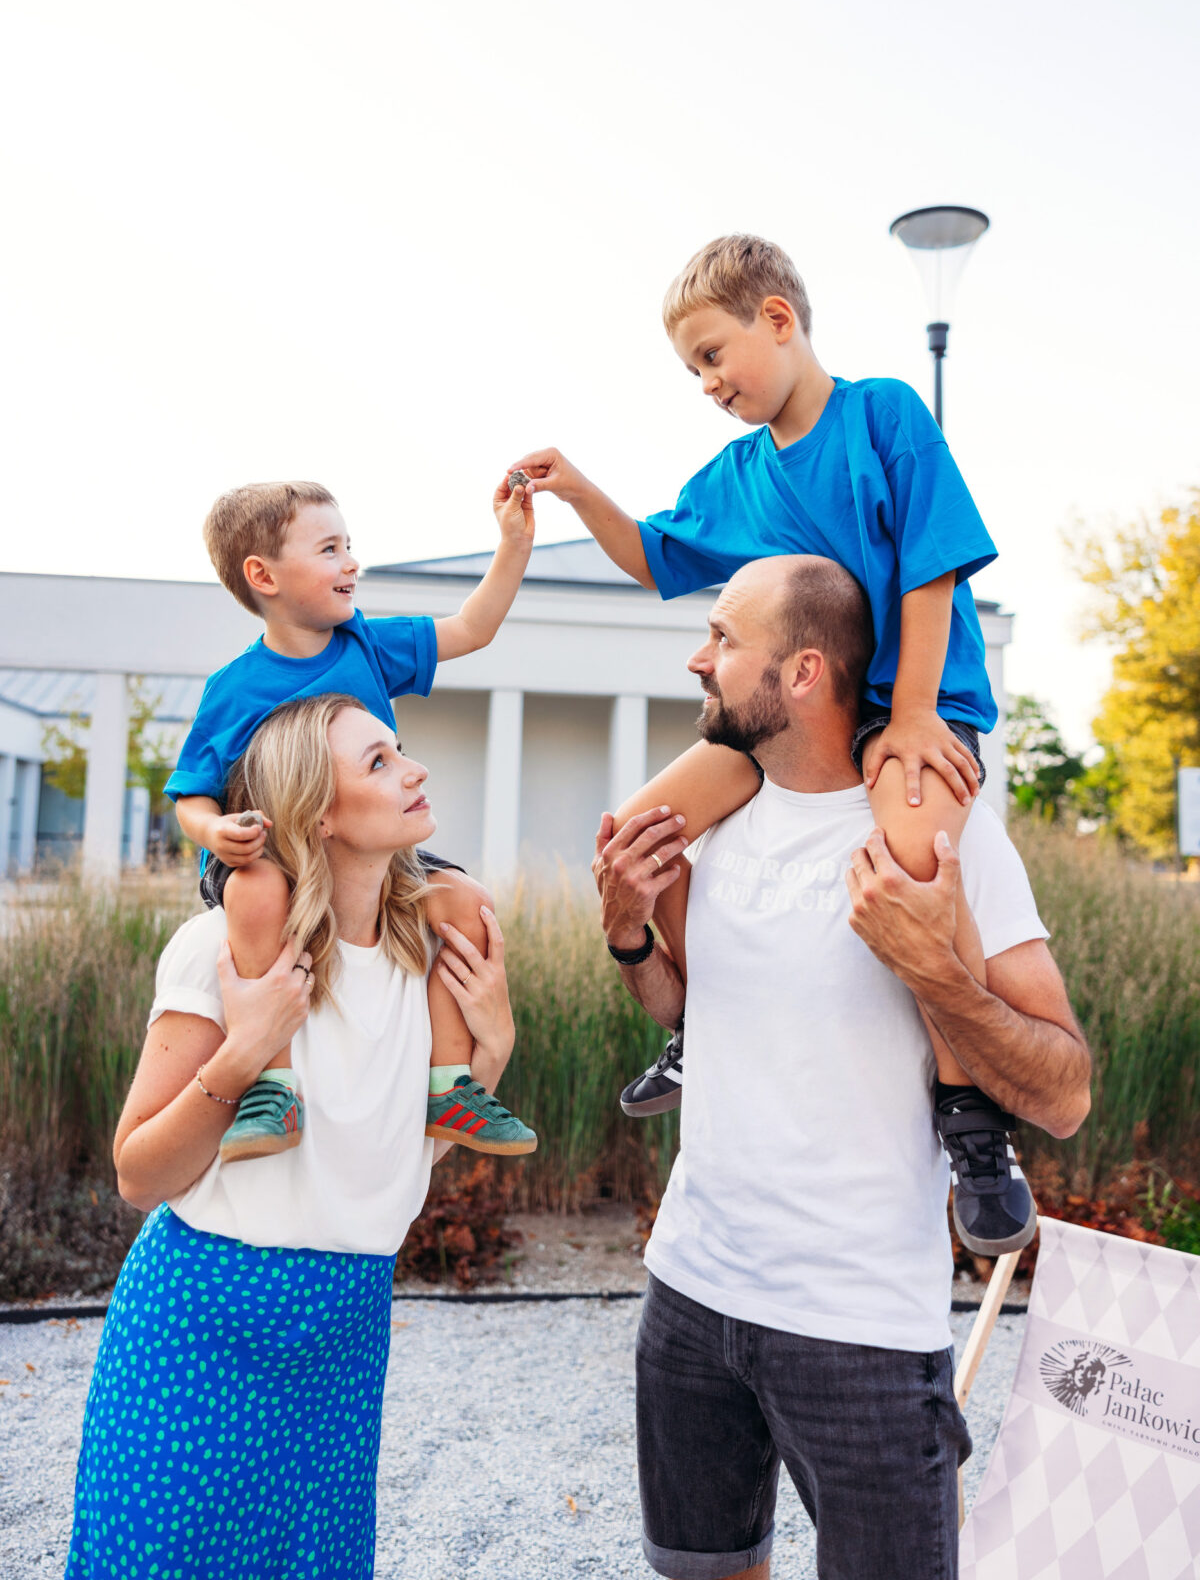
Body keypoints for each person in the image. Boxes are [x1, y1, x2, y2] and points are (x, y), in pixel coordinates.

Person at [510, 231, 1027, 1253]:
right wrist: (575, 490)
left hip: (912, 700)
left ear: (778, 320)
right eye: (689, 368)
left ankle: (974, 1126)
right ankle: (702, 1031)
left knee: (917, 854)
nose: (703, 381)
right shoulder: (739, 473)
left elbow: (933, 570)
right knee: (639, 832)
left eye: (712, 355)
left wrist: (916, 715)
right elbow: (655, 558)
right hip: (793, 711)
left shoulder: (884, 417)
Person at [593, 555, 1091, 1580]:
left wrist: (936, 976)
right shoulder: (712, 829)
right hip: (689, 1291)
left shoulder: (944, 840)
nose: (699, 658)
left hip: (858, 1330)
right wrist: (631, 936)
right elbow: (693, 1014)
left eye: (725, 640)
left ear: (806, 673)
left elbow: (1065, 1091)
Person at [66, 693, 518, 1579]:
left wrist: (492, 1050)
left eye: (401, 751)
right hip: (201, 1332)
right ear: (318, 811)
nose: (413, 770)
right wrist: (247, 1050)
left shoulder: (420, 964)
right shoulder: (222, 954)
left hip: (344, 1340)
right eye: (379, 763)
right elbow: (136, 1174)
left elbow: (400, 1154)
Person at [167, 477, 535, 1163]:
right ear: (263, 575)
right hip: (272, 856)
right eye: (330, 549)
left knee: (466, 901)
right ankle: (272, 1089)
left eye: (349, 546)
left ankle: (449, 1083)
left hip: (370, 851)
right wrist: (218, 834)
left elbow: (473, 627)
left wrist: (513, 545)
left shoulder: (365, 644)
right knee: (259, 890)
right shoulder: (235, 688)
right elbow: (191, 793)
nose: (351, 563)